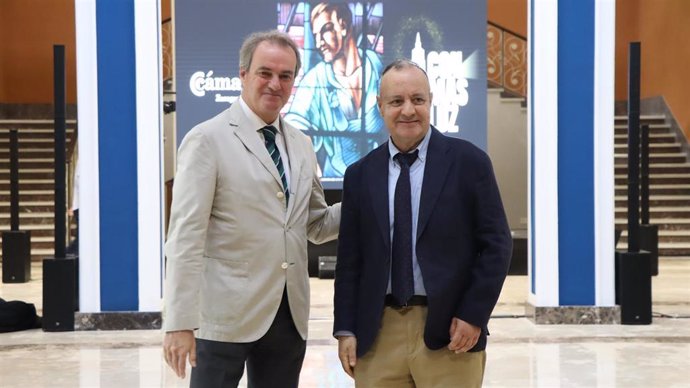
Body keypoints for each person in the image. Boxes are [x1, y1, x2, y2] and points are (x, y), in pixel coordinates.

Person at [162, 30, 341, 388]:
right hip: (224, 319)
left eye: (286, 76)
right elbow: (185, 235)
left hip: (287, 317)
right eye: (265, 73)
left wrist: (371, 197)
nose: (276, 83)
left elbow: (316, 224)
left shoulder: (302, 144)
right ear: (243, 74)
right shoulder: (207, 139)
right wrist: (179, 321)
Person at [333, 59, 512, 387]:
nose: (408, 111)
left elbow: (497, 245)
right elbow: (350, 261)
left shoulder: (469, 163)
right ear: (380, 106)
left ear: (430, 101)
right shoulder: (359, 175)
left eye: (417, 99)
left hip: (451, 332)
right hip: (377, 335)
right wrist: (346, 329)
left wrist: (473, 314)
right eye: (396, 101)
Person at [284, 2, 384, 179]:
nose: (318, 42)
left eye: (325, 30)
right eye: (315, 35)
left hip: (380, 183)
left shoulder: (377, 66)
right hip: (334, 185)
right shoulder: (315, 79)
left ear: (344, 25)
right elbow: (294, 125)